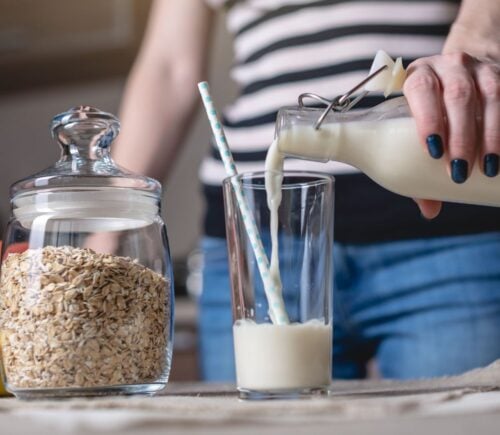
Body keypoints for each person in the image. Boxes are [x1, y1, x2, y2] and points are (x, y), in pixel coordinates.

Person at [114, 0, 500, 380]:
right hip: (256, 239)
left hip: (447, 226)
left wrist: (476, 46)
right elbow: (168, 67)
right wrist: (105, 234)